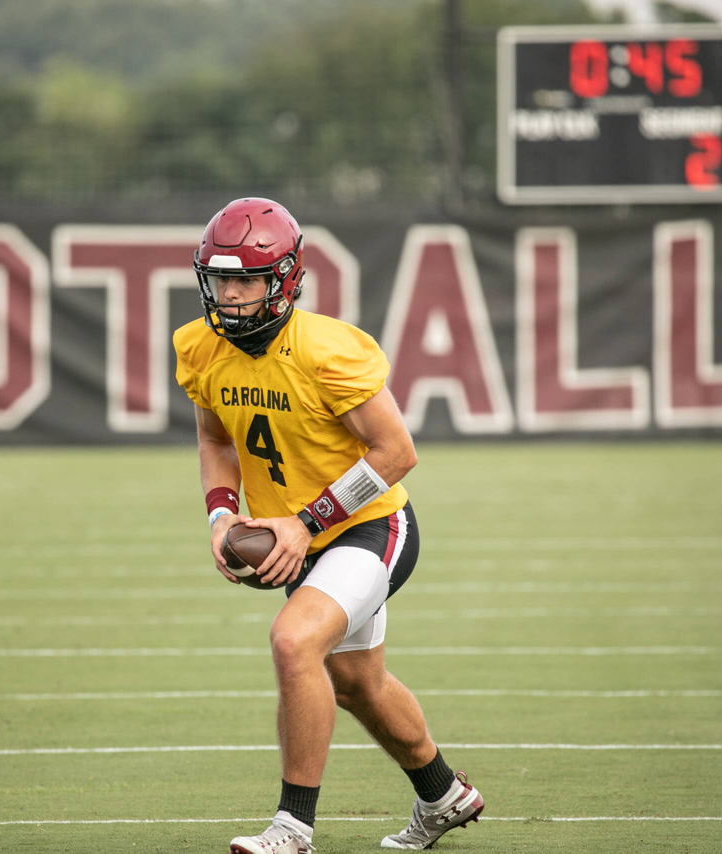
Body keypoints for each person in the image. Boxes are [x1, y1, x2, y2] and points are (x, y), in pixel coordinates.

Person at [172, 198, 483, 854]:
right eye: (220, 279)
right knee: (357, 684)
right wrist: (222, 514)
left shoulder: (327, 349)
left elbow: (397, 453)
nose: (229, 296)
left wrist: (304, 524)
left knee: (292, 643)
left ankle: (292, 828)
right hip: (295, 533)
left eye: (246, 280)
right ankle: (442, 795)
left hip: (367, 527)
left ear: (284, 280)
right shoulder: (200, 348)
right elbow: (216, 438)